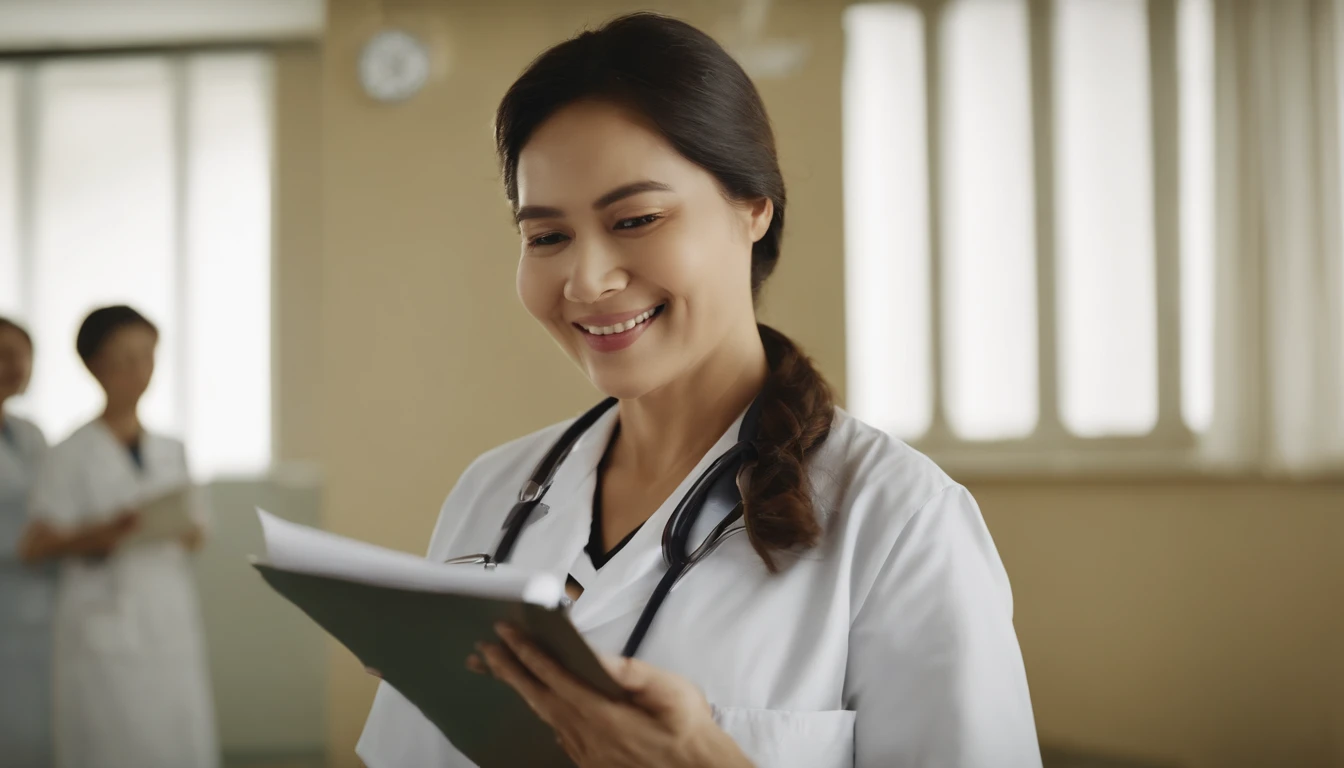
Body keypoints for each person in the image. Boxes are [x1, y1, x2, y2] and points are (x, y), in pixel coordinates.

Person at [359, 13, 1040, 768]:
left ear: (754, 208)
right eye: (546, 236)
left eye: (637, 218)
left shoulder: (900, 521)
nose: (586, 280)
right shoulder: (490, 496)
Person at [19, 305, 217, 768]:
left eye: (147, 355)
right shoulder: (69, 453)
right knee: (111, 744)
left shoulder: (172, 449)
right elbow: (36, 545)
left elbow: (197, 532)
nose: (138, 370)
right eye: (124, 358)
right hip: (102, 623)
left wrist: (182, 530)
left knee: (176, 738)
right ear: (94, 365)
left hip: (167, 618)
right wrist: (103, 534)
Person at [0, 317, 55, 766]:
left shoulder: (31, 434)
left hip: (37, 600)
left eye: (21, 354)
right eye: (2, 354)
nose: (14, 365)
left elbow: (53, 506)